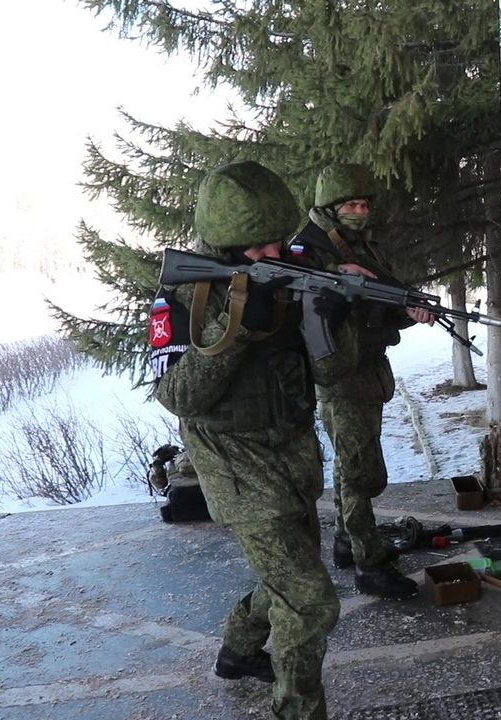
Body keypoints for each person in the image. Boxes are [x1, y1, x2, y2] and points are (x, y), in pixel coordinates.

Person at [148, 160, 358, 720]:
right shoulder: (183, 294)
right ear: (223, 244)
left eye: (277, 242)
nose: (272, 255)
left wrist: (333, 321)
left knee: (291, 576)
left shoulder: (295, 275)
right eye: (256, 248)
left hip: (292, 453)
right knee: (311, 601)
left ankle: (239, 653)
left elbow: (334, 376)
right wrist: (236, 325)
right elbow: (177, 396)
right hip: (232, 463)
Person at [303, 163, 431, 600]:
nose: (360, 211)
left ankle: (347, 540)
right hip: (339, 373)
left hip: (368, 367)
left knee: (350, 464)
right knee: (359, 471)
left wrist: (409, 311)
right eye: (351, 204)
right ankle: (368, 563)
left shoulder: (363, 246)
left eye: (364, 204)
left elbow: (381, 307)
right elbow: (312, 310)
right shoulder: (312, 250)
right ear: (330, 208)